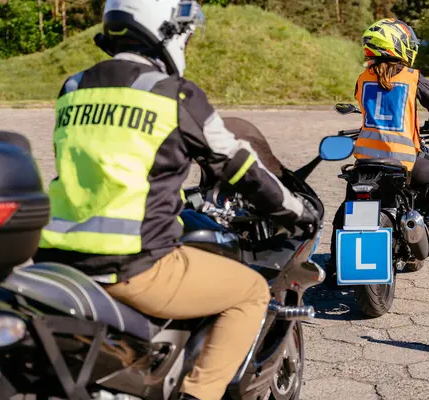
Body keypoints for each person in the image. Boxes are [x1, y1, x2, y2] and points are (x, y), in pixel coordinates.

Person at [32, 1, 320, 399]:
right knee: (251, 292)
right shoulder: (174, 95)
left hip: (54, 259)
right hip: (132, 265)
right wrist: (294, 209)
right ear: (166, 28)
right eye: (184, 30)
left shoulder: (74, 87)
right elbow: (237, 165)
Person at [324, 18, 429, 289]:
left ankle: (334, 267)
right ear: (399, 46)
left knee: (344, 212)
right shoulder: (412, 76)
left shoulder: (362, 78)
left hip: (365, 160)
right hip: (402, 159)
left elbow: (369, 104)